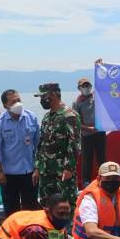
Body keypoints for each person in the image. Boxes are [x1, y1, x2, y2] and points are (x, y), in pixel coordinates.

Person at [33, 83, 81, 211]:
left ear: (53, 95)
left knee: (65, 205)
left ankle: (66, 230)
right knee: (46, 205)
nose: (41, 100)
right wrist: (37, 167)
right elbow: (41, 144)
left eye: (43, 97)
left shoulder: (69, 116)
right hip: (46, 171)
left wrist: (69, 168)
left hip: (62, 172)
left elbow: (75, 144)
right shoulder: (47, 117)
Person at [0, 89, 40, 216]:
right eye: (13, 102)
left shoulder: (31, 117)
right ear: (5, 106)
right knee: (11, 210)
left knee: (30, 209)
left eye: (18, 100)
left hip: (29, 173)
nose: (17, 104)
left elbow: (38, 145)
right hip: (9, 175)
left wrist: (37, 168)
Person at [73, 77, 105, 187]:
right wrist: (88, 128)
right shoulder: (76, 103)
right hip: (86, 135)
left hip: (100, 133)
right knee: (87, 159)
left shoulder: (97, 97)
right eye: (84, 86)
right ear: (79, 88)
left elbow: (103, 84)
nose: (86, 88)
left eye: (88, 85)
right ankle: (86, 183)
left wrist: (100, 66)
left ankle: (105, 179)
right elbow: (76, 123)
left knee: (102, 158)